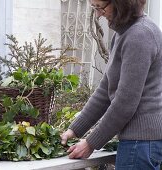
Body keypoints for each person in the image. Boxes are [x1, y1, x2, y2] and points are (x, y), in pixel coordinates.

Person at [60, 0, 162, 169]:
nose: (99, 14)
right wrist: (75, 129)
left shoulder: (140, 35)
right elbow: (105, 90)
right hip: (138, 143)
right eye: (95, 8)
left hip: (141, 143)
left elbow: (125, 103)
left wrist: (91, 143)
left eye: (100, 7)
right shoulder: (124, 33)